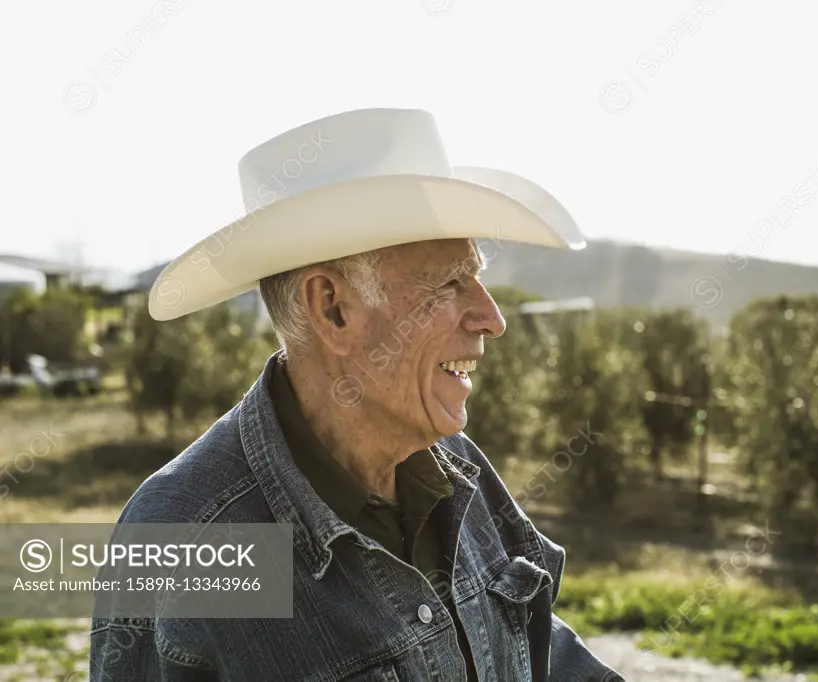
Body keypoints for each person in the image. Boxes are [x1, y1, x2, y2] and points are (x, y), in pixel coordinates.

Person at [89, 108, 624, 681]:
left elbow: (538, 654)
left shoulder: (461, 471)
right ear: (333, 309)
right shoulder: (183, 539)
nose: (492, 318)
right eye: (450, 281)